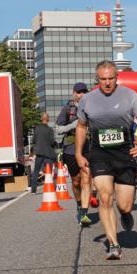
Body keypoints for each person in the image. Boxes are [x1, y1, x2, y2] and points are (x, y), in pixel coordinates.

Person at [75, 61, 137, 260]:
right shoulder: (88, 99)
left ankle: (126, 214)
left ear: (116, 77)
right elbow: (81, 127)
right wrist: (78, 153)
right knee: (105, 197)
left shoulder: (129, 95)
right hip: (99, 153)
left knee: (124, 205)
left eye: (111, 78)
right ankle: (113, 244)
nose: (107, 83)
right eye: (103, 79)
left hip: (124, 152)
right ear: (97, 79)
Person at [57, 82, 95, 226]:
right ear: (74, 93)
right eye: (79, 92)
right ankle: (79, 204)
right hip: (71, 148)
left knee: (86, 177)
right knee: (76, 181)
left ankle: (84, 212)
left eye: (84, 92)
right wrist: (77, 125)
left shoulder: (92, 108)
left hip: (88, 147)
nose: (82, 95)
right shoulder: (68, 109)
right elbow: (59, 129)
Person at [31, 112, 57, 194]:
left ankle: (33, 190)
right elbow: (52, 142)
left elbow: (33, 140)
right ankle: (51, 188)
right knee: (49, 172)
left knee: (36, 172)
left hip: (39, 153)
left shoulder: (37, 128)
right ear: (48, 119)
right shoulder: (50, 130)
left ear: (41, 119)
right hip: (48, 154)